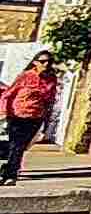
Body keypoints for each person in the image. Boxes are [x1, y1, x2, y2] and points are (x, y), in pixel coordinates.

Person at [1, 50, 62, 185]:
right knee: (16, 145)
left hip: (36, 117)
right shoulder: (26, 76)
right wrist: (4, 112)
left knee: (21, 146)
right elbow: (8, 94)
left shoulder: (52, 78)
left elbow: (50, 100)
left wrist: (47, 122)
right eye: (42, 61)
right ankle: (9, 175)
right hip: (18, 115)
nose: (46, 64)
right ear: (35, 62)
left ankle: (8, 168)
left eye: (49, 62)